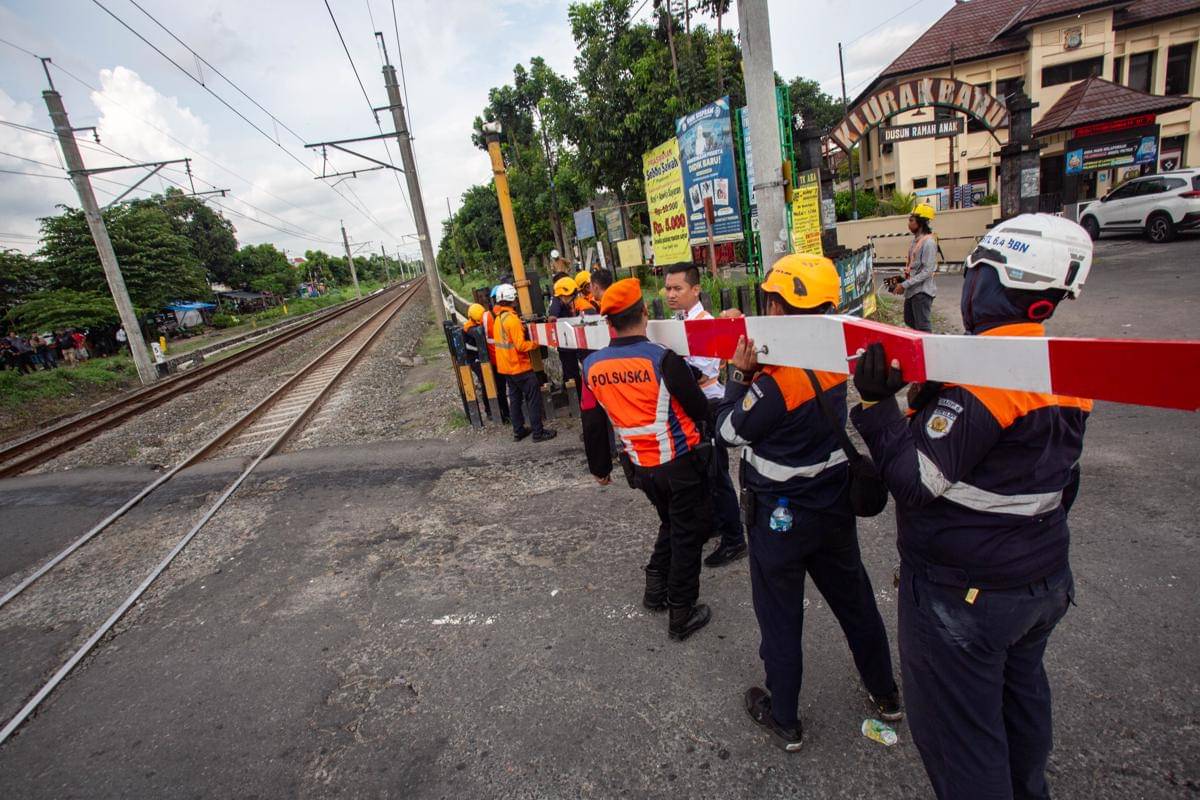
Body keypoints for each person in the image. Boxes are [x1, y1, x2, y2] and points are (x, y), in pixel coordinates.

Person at [850, 214, 1094, 800]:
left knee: (963, 742)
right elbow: (1062, 482)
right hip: (1041, 581)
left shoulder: (990, 377)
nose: (969, 286)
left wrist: (878, 405)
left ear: (997, 281)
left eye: (976, 272)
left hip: (967, 598)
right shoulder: (1067, 366)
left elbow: (914, 482)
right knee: (1020, 699)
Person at [716, 254, 901, 752]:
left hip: (780, 517)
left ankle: (785, 719)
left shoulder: (776, 384)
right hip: (833, 505)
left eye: (769, 301)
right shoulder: (836, 363)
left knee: (780, 620)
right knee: (856, 604)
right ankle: (886, 695)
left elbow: (729, 430)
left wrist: (737, 380)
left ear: (778, 308)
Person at [581, 278, 712, 641]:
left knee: (671, 522)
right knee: (687, 535)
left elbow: (591, 422)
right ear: (643, 313)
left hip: (641, 469)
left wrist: (600, 469)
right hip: (680, 463)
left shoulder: (591, 366)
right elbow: (699, 408)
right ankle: (681, 613)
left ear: (609, 323)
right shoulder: (662, 358)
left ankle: (655, 589)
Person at [663, 262, 745, 567]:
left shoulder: (705, 323)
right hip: (693, 405)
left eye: (677, 288)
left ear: (695, 290)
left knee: (717, 473)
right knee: (702, 472)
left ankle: (735, 538)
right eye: (668, 288)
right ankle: (716, 523)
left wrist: (673, 370)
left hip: (708, 405)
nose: (671, 294)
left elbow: (702, 372)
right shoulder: (679, 321)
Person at [493, 283, 556, 442]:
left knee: (514, 400)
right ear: (513, 300)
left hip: (507, 368)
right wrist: (537, 342)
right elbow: (521, 346)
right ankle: (538, 433)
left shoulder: (498, 319)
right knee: (533, 399)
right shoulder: (512, 321)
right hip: (520, 367)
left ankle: (518, 431)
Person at [893, 203, 937, 332]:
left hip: (922, 292)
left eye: (911, 220)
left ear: (921, 223)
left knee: (923, 328)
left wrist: (905, 285)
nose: (909, 223)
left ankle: (929, 350)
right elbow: (913, 268)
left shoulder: (929, 243)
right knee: (910, 321)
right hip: (912, 291)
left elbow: (927, 271)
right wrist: (902, 281)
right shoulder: (915, 241)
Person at [547, 277, 584, 395]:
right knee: (571, 373)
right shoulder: (557, 302)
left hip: (569, 343)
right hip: (566, 345)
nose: (573, 298)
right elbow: (552, 318)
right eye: (572, 295)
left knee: (572, 372)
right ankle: (576, 396)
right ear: (564, 294)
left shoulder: (561, 302)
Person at [462, 303, 496, 420]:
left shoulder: (476, 324)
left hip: (481, 357)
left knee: (489, 380)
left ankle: (492, 409)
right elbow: (475, 344)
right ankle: (489, 411)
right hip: (475, 359)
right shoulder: (469, 330)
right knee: (485, 380)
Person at [482, 289, 510, 424]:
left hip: (494, 359)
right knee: (513, 387)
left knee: (500, 389)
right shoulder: (508, 314)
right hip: (507, 357)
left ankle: (505, 414)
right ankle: (511, 414)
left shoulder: (487, 316)